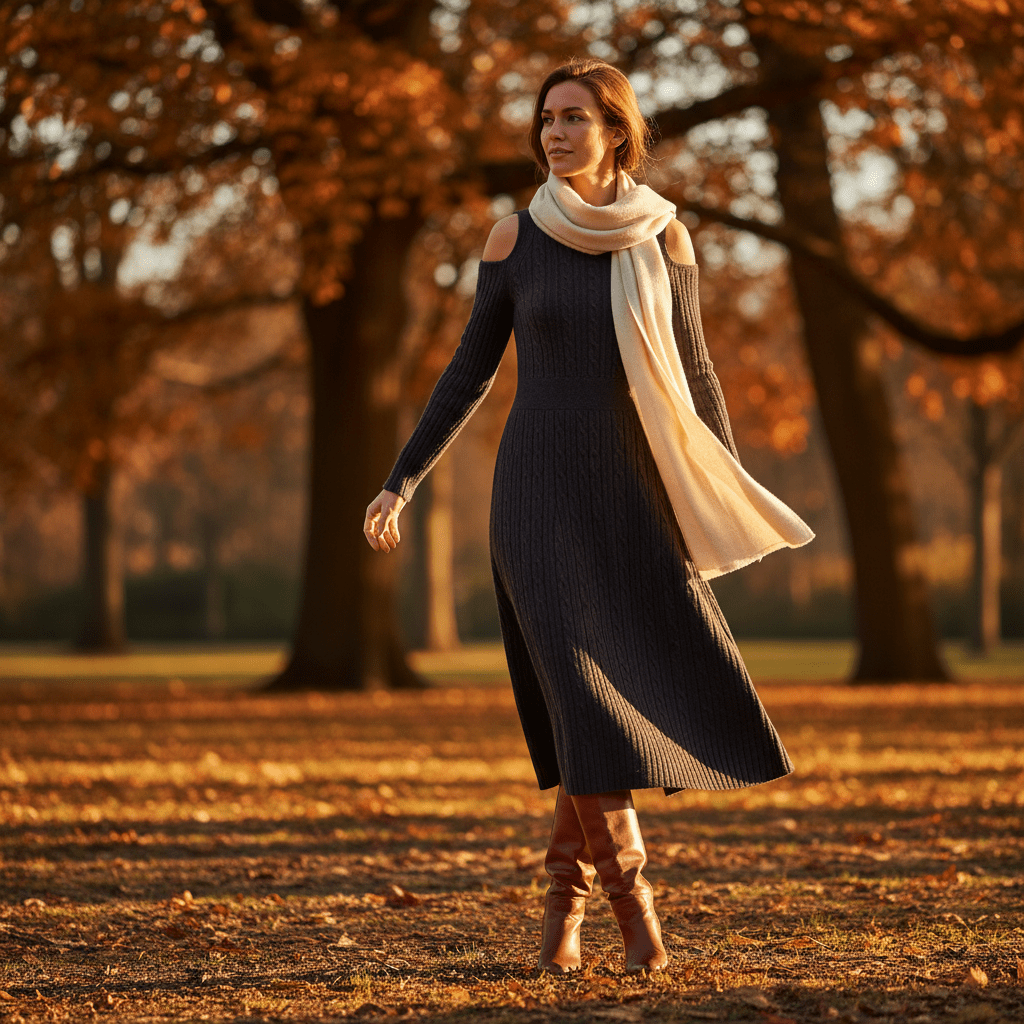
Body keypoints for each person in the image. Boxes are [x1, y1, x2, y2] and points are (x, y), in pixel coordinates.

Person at [364, 58, 814, 975]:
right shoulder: (514, 238)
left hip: (632, 496)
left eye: (574, 118)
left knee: (591, 718)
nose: (556, 134)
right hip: (536, 499)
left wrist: (720, 486)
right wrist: (400, 480)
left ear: (616, 130)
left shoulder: (664, 239)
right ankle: (638, 919)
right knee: (580, 693)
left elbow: (695, 372)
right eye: (546, 119)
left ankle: (559, 920)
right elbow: (469, 370)